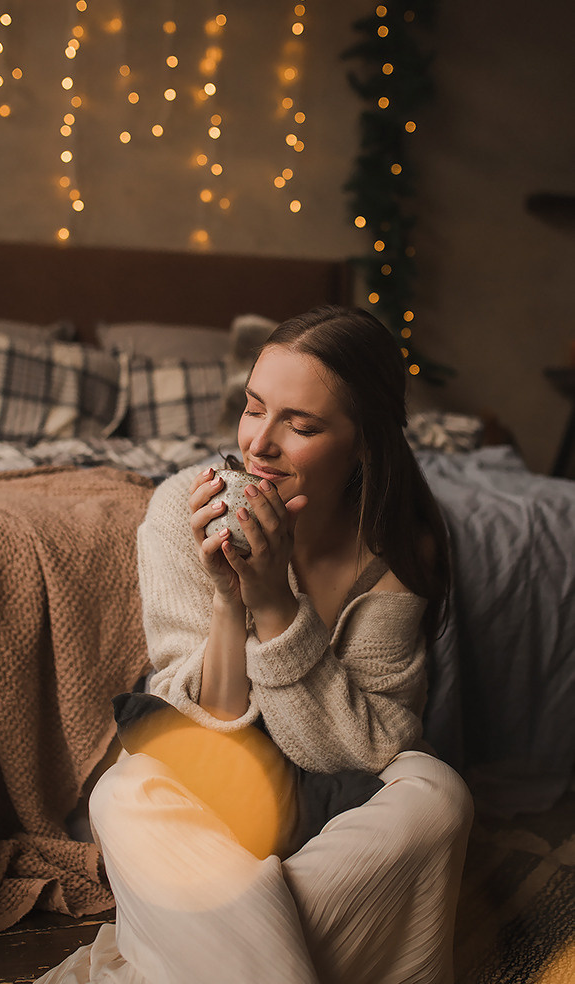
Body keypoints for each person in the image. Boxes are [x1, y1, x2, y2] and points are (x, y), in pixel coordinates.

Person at [36, 305, 473, 984]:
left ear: (361, 445)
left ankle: (197, 950)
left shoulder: (394, 552)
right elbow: (202, 726)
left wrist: (275, 606)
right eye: (253, 408)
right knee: (123, 792)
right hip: (216, 803)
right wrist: (227, 597)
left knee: (438, 792)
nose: (258, 445)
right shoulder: (186, 506)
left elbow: (362, 751)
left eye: (299, 425)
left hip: (338, 823)